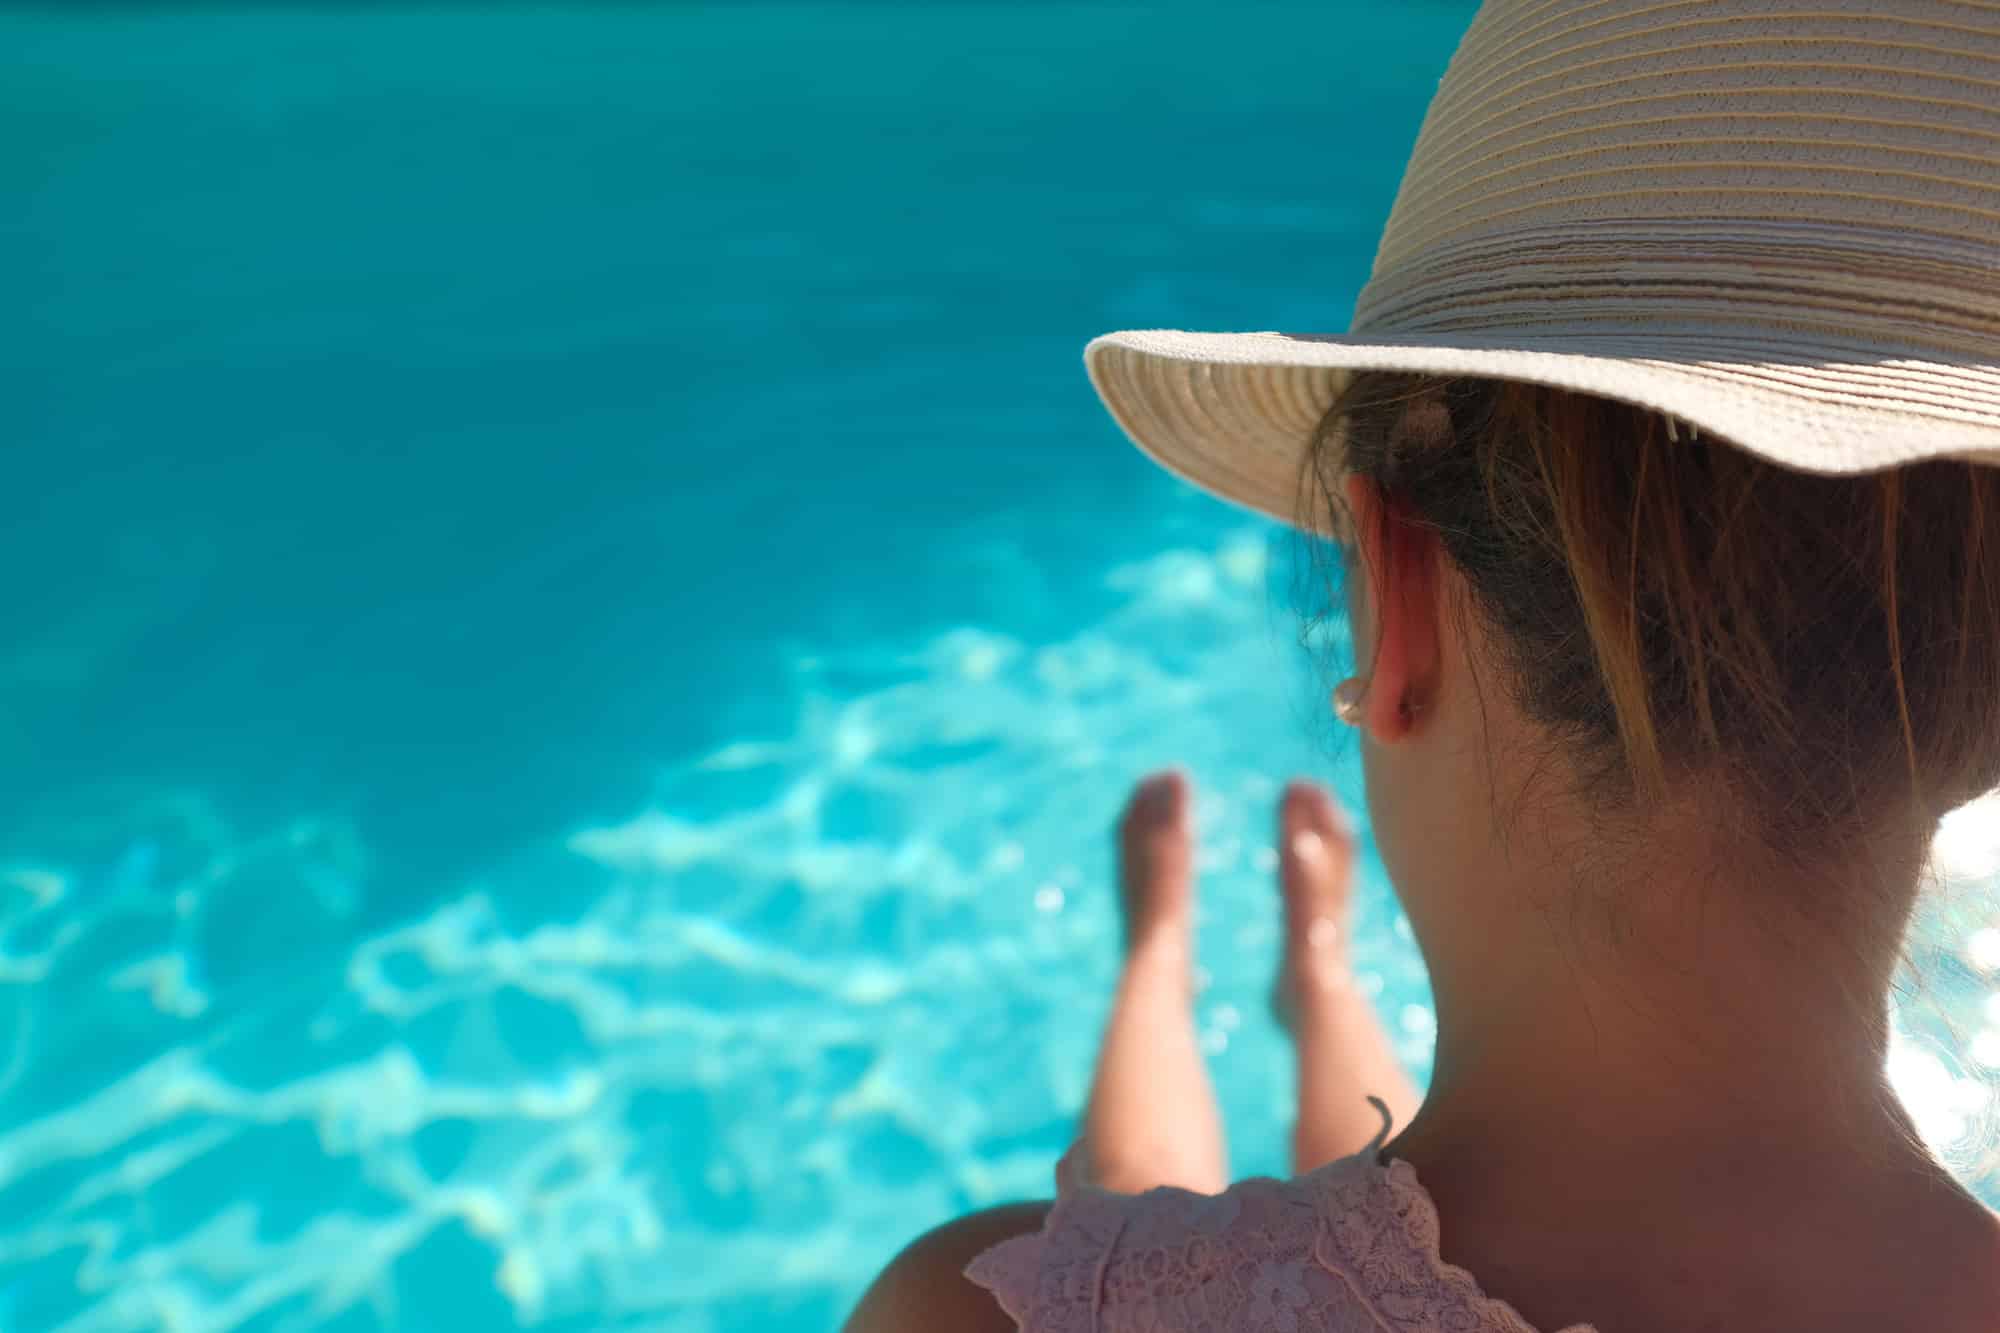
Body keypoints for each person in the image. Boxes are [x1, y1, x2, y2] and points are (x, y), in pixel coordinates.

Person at [846, 1, 2000, 1327]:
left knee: (1146, 1205)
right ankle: (1318, 979)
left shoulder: (974, 1308)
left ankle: (1181, 961)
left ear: (1400, 599)